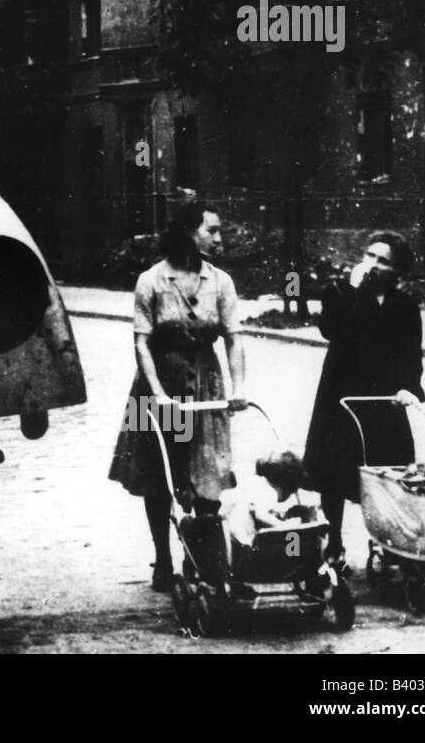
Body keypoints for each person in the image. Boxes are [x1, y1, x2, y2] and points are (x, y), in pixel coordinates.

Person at [109, 203, 248, 592]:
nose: (219, 239)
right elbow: (142, 342)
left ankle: (198, 558)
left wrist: (239, 390)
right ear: (189, 232)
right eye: (213, 231)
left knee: (207, 471)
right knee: (159, 472)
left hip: (205, 383)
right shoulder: (151, 280)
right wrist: (156, 393)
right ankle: (163, 559)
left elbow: (235, 338)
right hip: (160, 384)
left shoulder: (221, 281)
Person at [303, 231, 424, 563]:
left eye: (382, 260)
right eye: (369, 256)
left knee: (389, 470)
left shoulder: (405, 307)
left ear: (397, 271)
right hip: (341, 395)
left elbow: (412, 355)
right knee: (333, 469)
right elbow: (332, 329)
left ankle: (390, 541)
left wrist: (408, 388)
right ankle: (334, 541)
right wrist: (353, 290)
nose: (372, 264)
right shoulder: (339, 293)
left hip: (383, 400)